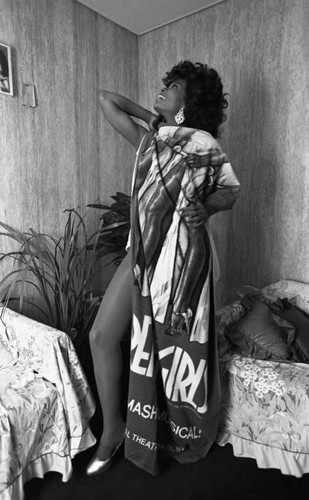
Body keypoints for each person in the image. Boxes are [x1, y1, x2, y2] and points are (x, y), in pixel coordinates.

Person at [86, 60, 241, 476]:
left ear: (189, 103)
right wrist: (156, 119)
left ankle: (168, 430)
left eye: (173, 86)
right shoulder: (149, 142)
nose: (163, 87)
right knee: (102, 335)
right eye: (165, 83)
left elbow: (229, 193)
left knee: (170, 356)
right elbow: (107, 101)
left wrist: (204, 207)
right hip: (142, 256)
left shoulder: (203, 145)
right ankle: (114, 429)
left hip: (184, 263)